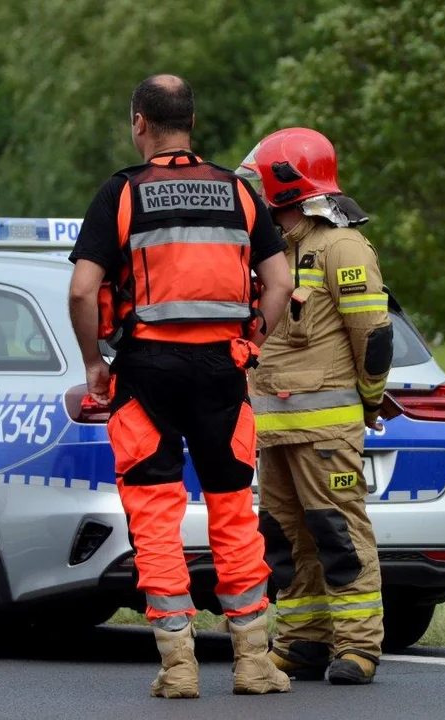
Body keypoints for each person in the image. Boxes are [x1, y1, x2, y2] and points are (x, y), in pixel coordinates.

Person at [67, 73, 294, 698]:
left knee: (156, 515)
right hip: (223, 370)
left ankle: (178, 667)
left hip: (146, 372)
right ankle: (253, 662)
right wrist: (254, 344)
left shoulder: (121, 193)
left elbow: (84, 290)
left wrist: (94, 363)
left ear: (140, 121)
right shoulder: (240, 193)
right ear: (190, 121)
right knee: (233, 511)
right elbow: (278, 281)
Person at [236, 127, 393, 685]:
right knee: (284, 538)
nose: (252, 192)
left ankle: (358, 647)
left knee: (338, 534)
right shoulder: (276, 248)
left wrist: (370, 401)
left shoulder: (341, 246)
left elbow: (373, 335)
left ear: (284, 185)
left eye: (260, 182)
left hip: (326, 430)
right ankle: (302, 641)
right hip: (275, 429)